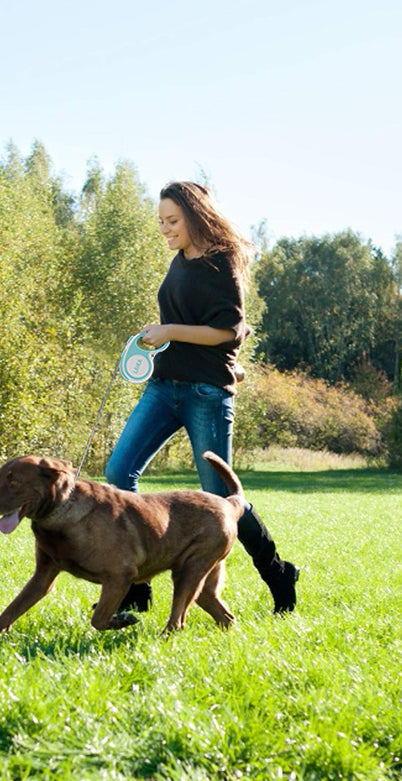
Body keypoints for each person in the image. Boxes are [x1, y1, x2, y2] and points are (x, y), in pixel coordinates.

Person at [104, 181, 299, 615]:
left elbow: (228, 330)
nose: (165, 229)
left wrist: (171, 332)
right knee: (118, 472)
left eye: (172, 221)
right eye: (160, 221)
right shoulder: (180, 261)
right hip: (163, 385)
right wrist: (156, 340)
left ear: (194, 216)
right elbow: (197, 330)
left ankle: (278, 572)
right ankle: (137, 587)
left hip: (204, 395)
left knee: (221, 498)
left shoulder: (220, 262)